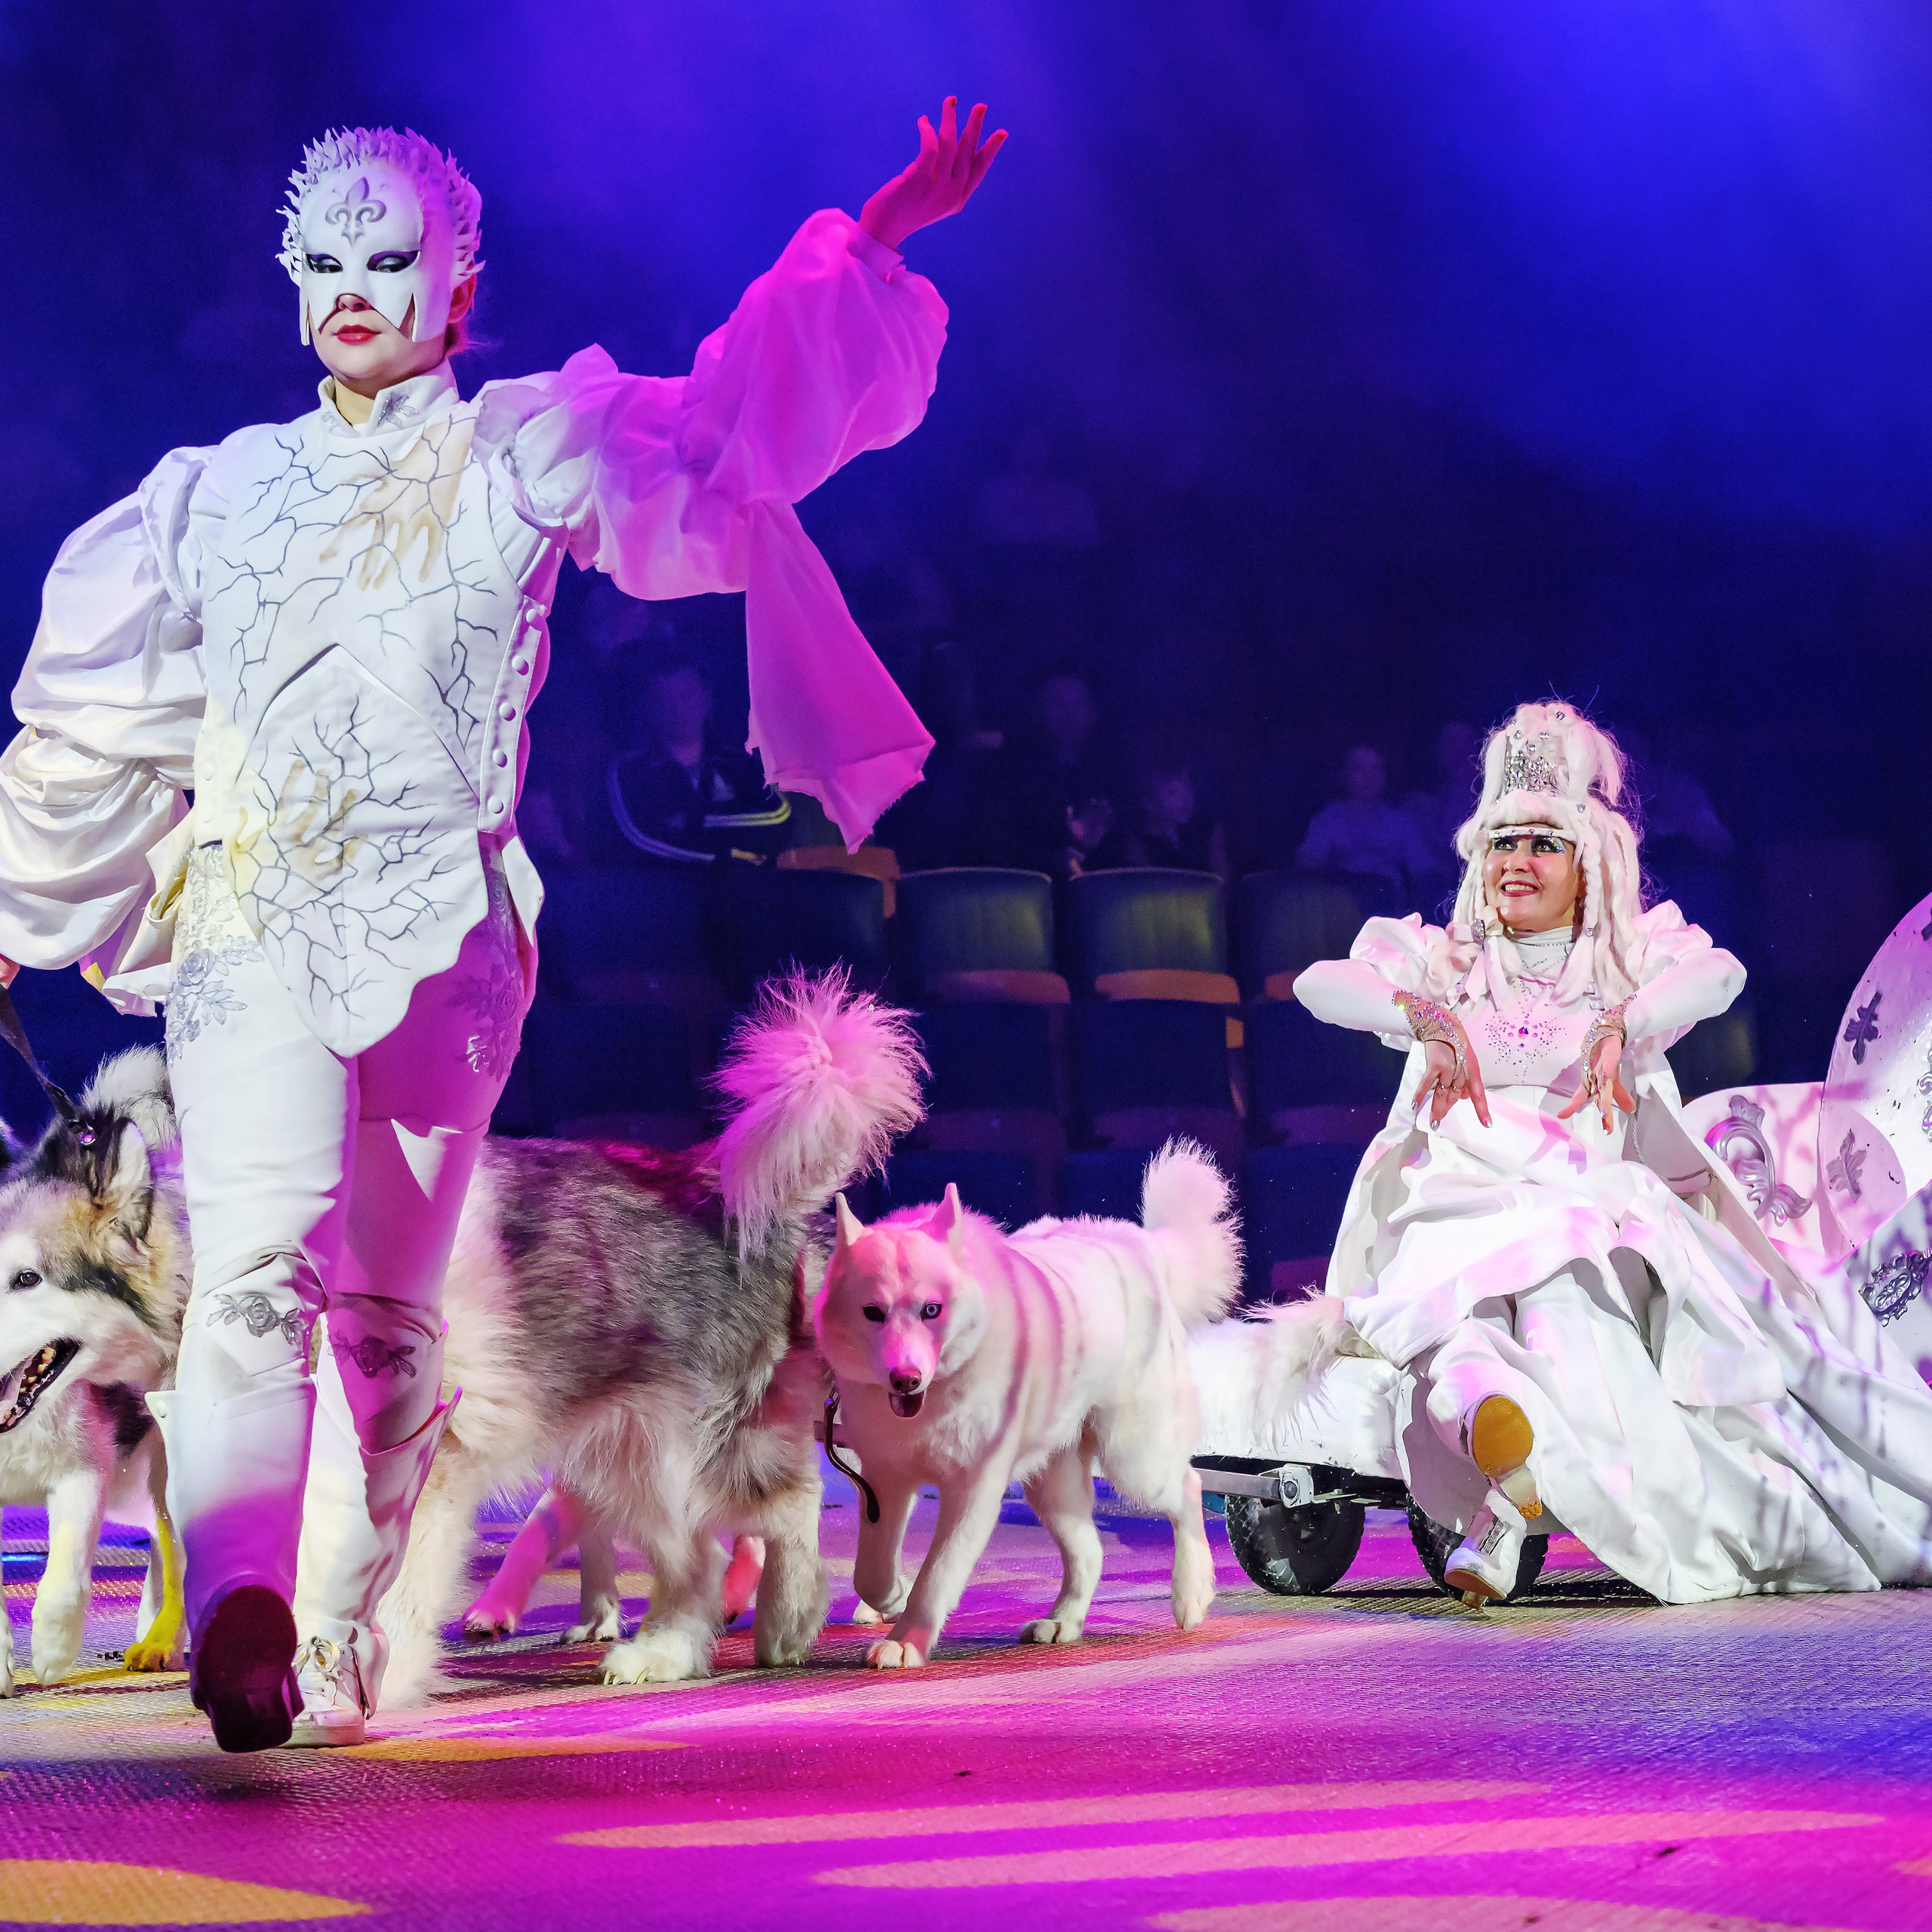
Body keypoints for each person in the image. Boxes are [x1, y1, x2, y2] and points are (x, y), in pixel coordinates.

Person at [0, 102, 1004, 1751]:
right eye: (321, 259)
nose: (350, 285)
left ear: (459, 289)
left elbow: (720, 436)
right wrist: (15, 896)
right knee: (249, 1273)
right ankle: (248, 1601)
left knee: (385, 1314)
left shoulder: (527, 441)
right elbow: (88, 724)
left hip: (440, 947)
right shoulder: (210, 495)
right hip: (253, 919)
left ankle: (329, 1628)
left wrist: (870, 243)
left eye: (387, 259)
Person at [1294, 700, 1932, 1605]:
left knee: (1559, 1293)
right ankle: (1505, 1488)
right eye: (1502, 843)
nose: (1516, 862)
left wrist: (1621, 1023)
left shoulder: (1621, 965)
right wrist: (1423, 1018)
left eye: (1542, 845)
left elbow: (1722, 975)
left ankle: (1508, 1509)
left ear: (1587, 861)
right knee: (1455, 1335)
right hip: (1456, 1210)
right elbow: (1320, 982)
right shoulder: (1446, 963)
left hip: (1583, 1210)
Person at [597, 657, 790, 866]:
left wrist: (691, 822)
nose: (678, 709)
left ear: (707, 699)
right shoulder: (630, 771)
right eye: (664, 699)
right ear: (650, 708)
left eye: (686, 696)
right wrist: (729, 855)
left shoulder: (738, 762)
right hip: (667, 894)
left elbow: (778, 818)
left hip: (747, 892)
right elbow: (641, 840)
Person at [1001, 669, 1121, 878]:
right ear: (1036, 713)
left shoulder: (1113, 774)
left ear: (1093, 714)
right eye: (1058, 703)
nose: (1070, 715)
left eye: (1078, 704)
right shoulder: (1008, 776)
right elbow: (1003, 849)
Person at [1296, 743, 1438, 915]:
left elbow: (1424, 871)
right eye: (1359, 769)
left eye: (1376, 769)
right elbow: (1308, 868)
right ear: (1344, 774)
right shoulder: (1328, 819)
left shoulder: (1399, 821)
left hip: (1390, 914)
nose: (1369, 777)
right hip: (1339, 914)